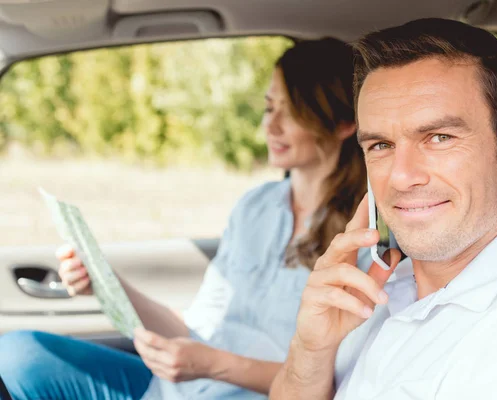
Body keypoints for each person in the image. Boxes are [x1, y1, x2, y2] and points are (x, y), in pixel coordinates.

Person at [0, 37, 370, 400]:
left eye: (292, 111)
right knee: (18, 353)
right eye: (270, 107)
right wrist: (106, 283)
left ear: (342, 124)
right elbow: (195, 331)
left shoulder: (362, 236)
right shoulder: (255, 207)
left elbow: (334, 381)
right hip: (175, 388)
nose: (270, 126)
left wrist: (215, 365)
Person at [270, 18, 497, 400]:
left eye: (439, 138)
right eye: (380, 145)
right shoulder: (385, 286)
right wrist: (311, 351)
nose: (401, 176)